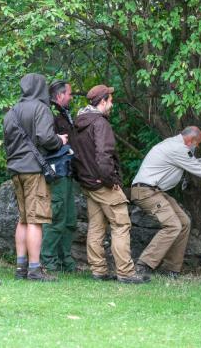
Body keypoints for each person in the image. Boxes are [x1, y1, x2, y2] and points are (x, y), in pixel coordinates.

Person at [131, 126, 201, 279]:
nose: (198, 147)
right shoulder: (177, 148)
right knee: (173, 225)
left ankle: (172, 269)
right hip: (145, 191)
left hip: (155, 191)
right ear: (190, 141)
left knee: (184, 222)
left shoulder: (177, 146)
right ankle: (144, 265)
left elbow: (197, 161)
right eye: (198, 143)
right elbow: (199, 169)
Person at [72, 84, 147, 284]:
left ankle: (98, 270)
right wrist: (111, 180)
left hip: (88, 184)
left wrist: (83, 178)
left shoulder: (79, 123)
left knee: (96, 228)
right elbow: (103, 156)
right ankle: (126, 273)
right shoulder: (100, 124)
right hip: (102, 184)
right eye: (111, 100)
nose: (112, 104)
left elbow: (76, 156)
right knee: (121, 224)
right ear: (103, 101)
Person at [3, 73, 67, 282]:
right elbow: (45, 138)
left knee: (23, 218)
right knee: (35, 220)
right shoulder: (41, 109)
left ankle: (21, 266)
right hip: (33, 169)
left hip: (15, 168)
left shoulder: (12, 111)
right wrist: (60, 139)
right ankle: (34, 269)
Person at [40, 80, 77, 272]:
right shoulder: (49, 113)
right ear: (59, 95)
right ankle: (48, 261)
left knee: (69, 219)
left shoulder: (64, 113)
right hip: (56, 172)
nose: (71, 97)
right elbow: (45, 141)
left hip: (68, 171)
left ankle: (66, 261)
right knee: (56, 217)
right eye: (69, 94)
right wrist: (59, 142)